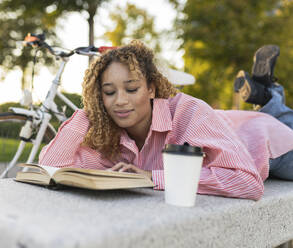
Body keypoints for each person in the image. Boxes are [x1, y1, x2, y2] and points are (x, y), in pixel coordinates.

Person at [39, 41, 293, 201]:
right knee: (261, 115)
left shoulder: (188, 110)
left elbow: (248, 182)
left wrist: (152, 177)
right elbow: (51, 167)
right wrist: (89, 112)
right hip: (228, 126)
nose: (120, 101)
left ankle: (271, 96)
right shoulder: (110, 137)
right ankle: (268, 94)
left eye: (131, 88)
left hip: (266, 145)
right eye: (108, 92)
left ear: (151, 89)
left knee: (274, 120)